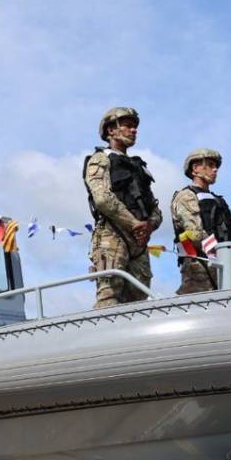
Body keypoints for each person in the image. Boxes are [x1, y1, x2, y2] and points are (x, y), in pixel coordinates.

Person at [83, 107, 163, 309]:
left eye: (135, 126)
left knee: (139, 301)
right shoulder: (100, 159)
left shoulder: (139, 167)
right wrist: (135, 224)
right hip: (112, 235)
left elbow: (155, 207)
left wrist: (149, 225)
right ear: (111, 130)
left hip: (140, 241)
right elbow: (102, 198)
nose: (133, 130)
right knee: (108, 298)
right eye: (127, 125)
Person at [170, 148, 231, 295]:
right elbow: (194, 234)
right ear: (195, 168)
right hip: (199, 267)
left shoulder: (218, 200)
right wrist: (221, 253)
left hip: (224, 267)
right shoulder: (186, 196)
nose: (215, 170)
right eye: (209, 165)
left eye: (216, 166)